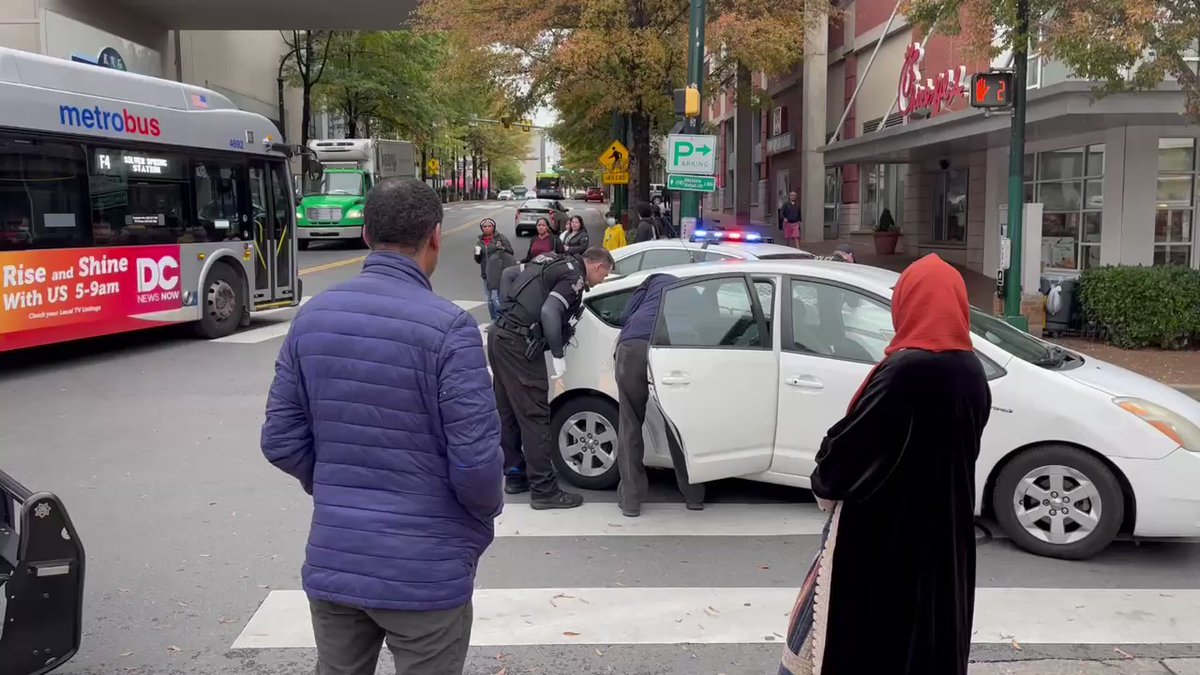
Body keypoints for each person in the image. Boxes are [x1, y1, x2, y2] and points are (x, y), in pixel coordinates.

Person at [261, 178, 503, 675]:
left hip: (337, 558)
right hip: (425, 570)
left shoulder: (313, 318)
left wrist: (332, 483)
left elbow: (280, 439)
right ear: (436, 236)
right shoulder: (450, 329)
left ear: (367, 233)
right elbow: (478, 468)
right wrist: (477, 521)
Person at [779, 254, 991, 675]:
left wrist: (825, 470)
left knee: (851, 645)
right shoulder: (972, 371)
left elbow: (843, 460)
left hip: (885, 543)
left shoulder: (904, 371)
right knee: (925, 643)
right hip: (945, 540)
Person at [490, 247, 615, 509]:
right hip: (519, 346)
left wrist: (508, 314)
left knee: (509, 412)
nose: (601, 281)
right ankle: (544, 491)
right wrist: (557, 353)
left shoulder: (551, 261)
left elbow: (508, 274)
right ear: (598, 267)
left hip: (500, 336)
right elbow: (549, 312)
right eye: (604, 276)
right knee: (535, 417)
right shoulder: (574, 278)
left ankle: (514, 475)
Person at [614, 273, 705, 517]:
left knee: (630, 421)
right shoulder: (691, 289)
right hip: (671, 347)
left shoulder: (650, 282)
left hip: (633, 346)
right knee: (677, 422)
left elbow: (624, 316)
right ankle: (693, 495)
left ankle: (632, 500)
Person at [474, 217, 514, 321]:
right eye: (484, 226)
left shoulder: (500, 238)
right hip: (485, 274)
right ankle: (494, 321)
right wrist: (477, 254)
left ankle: (499, 321)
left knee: (495, 297)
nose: (487, 228)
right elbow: (478, 260)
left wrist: (502, 248)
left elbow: (510, 252)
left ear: (493, 227)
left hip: (497, 273)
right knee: (489, 299)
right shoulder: (480, 242)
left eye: (489, 226)